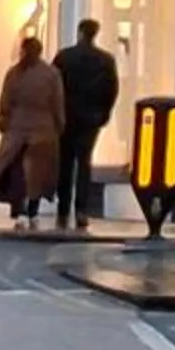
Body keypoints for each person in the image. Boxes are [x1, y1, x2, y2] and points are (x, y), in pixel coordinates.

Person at [0, 37, 66, 231]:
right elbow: (57, 103)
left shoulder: (15, 73)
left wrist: (4, 120)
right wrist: (60, 125)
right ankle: (32, 210)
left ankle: (20, 210)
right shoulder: (51, 74)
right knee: (37, 174)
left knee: (17, 172)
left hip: (17, 128)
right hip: (43, 129)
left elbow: (5, 100)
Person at [54, 19, 121, 234]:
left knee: (65, 163)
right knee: (84, 163)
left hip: (67, 116)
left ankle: (63, 208)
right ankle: (81, 210)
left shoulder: (64, 57)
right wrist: (104, 113)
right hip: (91, 118)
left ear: (80, 32)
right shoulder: (105, 60)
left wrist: (57, 113)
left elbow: (54, 86)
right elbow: (112, 89)